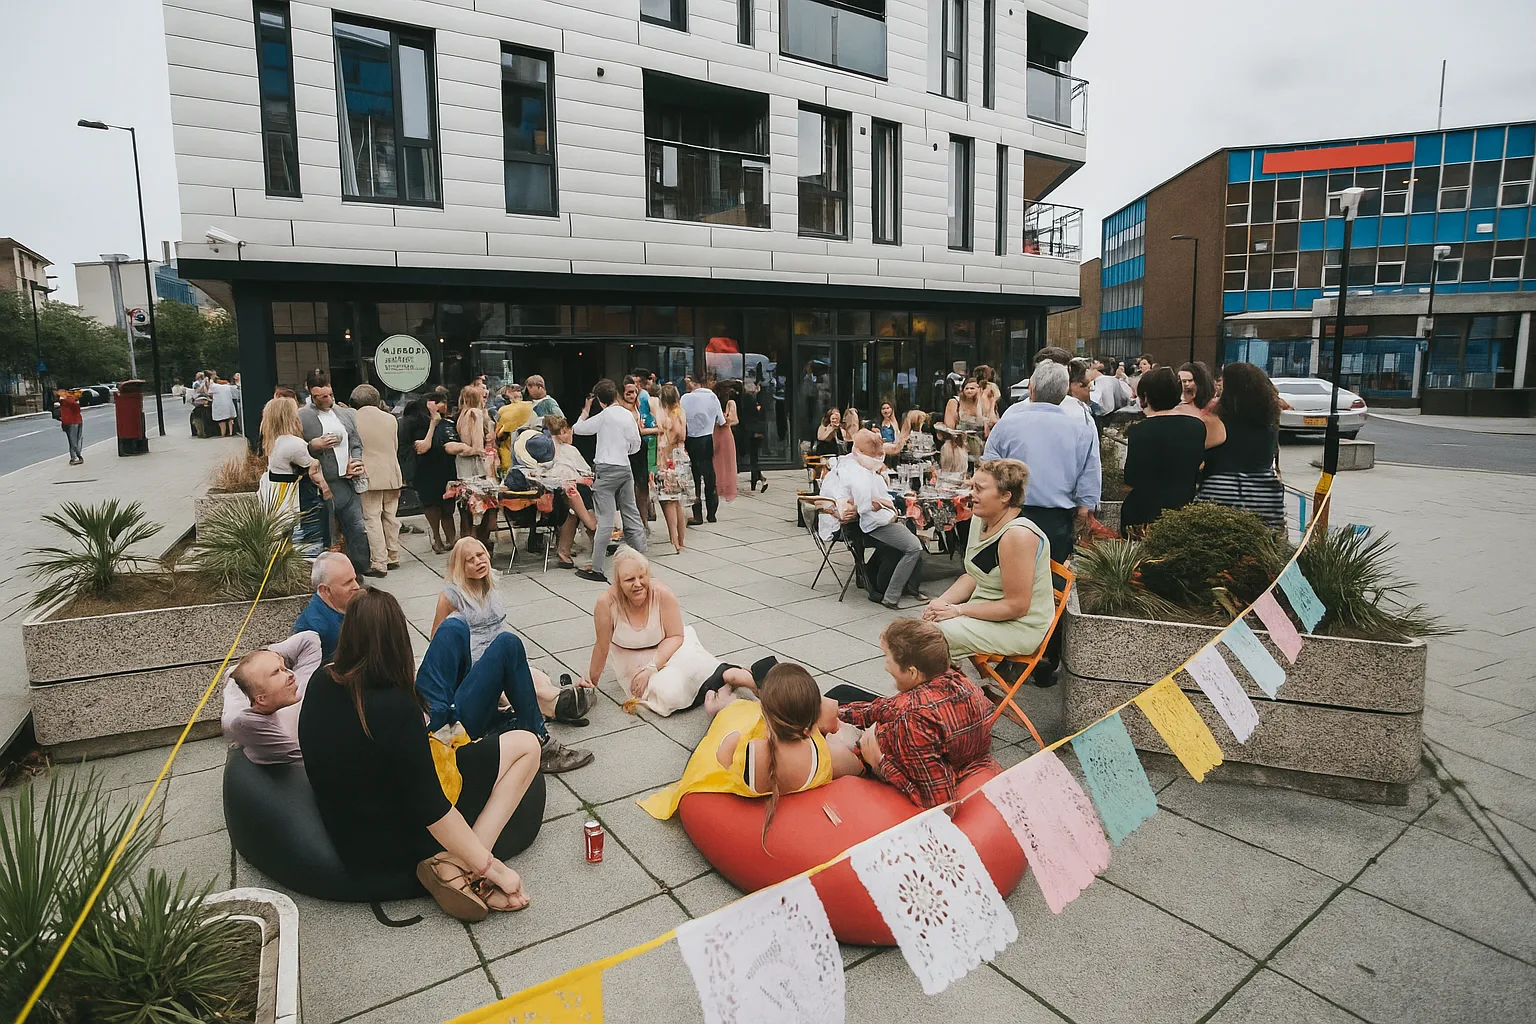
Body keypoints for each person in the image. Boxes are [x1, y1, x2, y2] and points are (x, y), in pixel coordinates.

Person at [297, 589, 541, 920]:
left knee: (453, 646)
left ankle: (460, 866)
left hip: (350, 837)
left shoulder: (320, 681)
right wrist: (494, 869)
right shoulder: (396, 708)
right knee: (527, 746)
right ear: (398, 640)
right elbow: (432, 809)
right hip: (399, 843)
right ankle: (462, 869)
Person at [417, 538, 595, 771]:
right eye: (470, 560)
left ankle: (556, 706)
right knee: (509, 647)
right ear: (460, 567)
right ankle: (544, 732)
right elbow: (438, 645)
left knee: (530, 675)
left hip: (491, 671)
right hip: (465, 696)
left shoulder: (490, 585)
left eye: (481, 555)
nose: (478, 561)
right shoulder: (451, 602)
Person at [639, 662, 853, 835]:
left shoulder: (749, 748)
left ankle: (722, 705)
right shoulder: (819, 751)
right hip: (798, 740)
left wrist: (733, 738)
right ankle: (729, 699)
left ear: (764, 712)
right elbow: (854, 767)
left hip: (750, 767)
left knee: (734, 718)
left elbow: (720, 762)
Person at [826, 618, 998, 807]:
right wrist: (839, 712)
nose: (885, 666)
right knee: (841, 693)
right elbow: (890, 707)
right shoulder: (959, 681)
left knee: (827, 752)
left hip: (893, 762)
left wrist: (878, 761)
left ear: (912, 672)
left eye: (887, 657)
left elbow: (940, 801)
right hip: (924, 745)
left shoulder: (913, 719)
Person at [580, 547, 771, 715]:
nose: (638, 584)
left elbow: (676, 636)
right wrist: (591, 682)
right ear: (618, 582)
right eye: (630, 580)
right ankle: (720, 693)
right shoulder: (606, 603)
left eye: (642, 577)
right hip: (633, 661)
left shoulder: (662, 592)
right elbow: (601, 646)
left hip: (672, 646)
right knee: (669, 693)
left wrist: (652, 667)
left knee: (700, 668)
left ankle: (757, 685)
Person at [924, 459, 1054, 661]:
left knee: (923, 639)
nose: (971, 494)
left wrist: (958, 610)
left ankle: (940, 679)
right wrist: (941, 602)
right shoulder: (980, 520)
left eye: (979, 489)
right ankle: (941, 678)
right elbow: (973, 576)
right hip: (985, 612)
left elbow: (1017, 606)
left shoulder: (1018, 535)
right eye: (972, 487)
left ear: (1005, 496)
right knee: (920, 631)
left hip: (1018, 627)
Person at [982, 362, 1101, 563]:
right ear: (1064, 393)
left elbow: (988, 468)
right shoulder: (1082, 428)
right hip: (1057, 519)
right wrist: (1085, 508)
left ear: (1031, 388)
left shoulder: (1007, 423)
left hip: (1011, 514)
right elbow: (1089, 471)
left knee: (1009, 575)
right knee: (1051, 577)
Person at [839, 431, 925, 608]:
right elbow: (859, 503)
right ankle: (891, 596)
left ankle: (907, 588)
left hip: (879, 519)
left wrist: (882, 502)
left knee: (911, 536)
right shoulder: (855, 471)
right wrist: (877, 503)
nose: (879, 457)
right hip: (873, 523)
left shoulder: (862, 468)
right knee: (914, 547)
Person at [1194, 361, 1285, 529]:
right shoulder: (1270, 427)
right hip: (1266, 495)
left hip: (1222, 492)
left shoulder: (1216, 423)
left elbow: (1198, 458)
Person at [573, 378, 645, 582]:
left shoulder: (604, 416)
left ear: (600, 400)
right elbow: (636, 443)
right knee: (631, 512)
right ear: (615, 394)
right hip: (624, 466)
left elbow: (579, 429)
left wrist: (585, 410)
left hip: (605, 468)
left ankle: (597, 567)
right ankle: (641, 559)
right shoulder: (627, 414)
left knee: (605, 519)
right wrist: (624, 450)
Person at [1121, 367, 1207, 536]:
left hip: (1143, 513)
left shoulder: (1139, 430)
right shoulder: (1197, 427)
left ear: (1146, 396)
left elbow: (1131, 476)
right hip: (1183, 509)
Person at [299, 375, 371, 575]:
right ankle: (330, 574)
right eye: (320, 397)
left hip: (347, 481)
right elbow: (295, 449)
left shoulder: (345, 413)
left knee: (357, 527)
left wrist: (356, 461)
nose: (327, 400)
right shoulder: (302, 416)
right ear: (310, 394)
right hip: (321, 484)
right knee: (328, 533)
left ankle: (360, 568)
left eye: (329, 395)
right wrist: (313, 445)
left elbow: (356, 442)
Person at [221, 630, 322, 765]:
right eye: (276, 672)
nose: (290, 674)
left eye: (284, 668)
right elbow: (240, 722)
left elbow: (309, 639)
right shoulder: (244, 719)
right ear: (261, 699)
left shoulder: (297, 685)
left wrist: (266, 657)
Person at [258, 396, 328, 552]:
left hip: (275, 491)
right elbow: (311, 463)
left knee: (282, 537)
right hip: (291, 496)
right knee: (306, 539)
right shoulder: (293, 443)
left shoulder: (274, 441)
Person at [351, 384, 404, 575]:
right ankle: (393, 555)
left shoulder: (352, 419)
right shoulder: (391, 419)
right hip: (391, 472)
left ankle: (379, 562)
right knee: (390, 516)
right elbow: (394, 446)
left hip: (367, 474)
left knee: (372, 517)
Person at [412, 389, 469, 554]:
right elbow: (422, 448)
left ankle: (451, 539)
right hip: (426, 469)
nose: (445, 405)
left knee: (448, 506)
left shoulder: (449, 423)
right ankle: (436, 538)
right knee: (431, 505)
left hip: (447, 468)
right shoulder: (419, 424)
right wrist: (433, 422)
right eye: (440, 402)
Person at [541, 415, 598, 569]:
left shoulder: (544, 448)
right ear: (563, 431)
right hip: (564, 494)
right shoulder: (569, 450)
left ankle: (564, 552)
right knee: (581, 496)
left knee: (572, 511)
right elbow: (587, 472)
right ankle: (593, 528)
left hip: (551, 495)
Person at [294, 551, 361, 660]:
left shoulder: (349, 605)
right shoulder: (314, 629)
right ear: (325, 590)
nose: (357, 586)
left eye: (355, 579)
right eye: (348, 583)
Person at [653, 383, 693, 553]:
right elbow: (683, 435)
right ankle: (681, 540)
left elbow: (676, 433)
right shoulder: (681, 411)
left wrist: (666, 447)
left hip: (668, 459)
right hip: (681, 457)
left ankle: (674, 540)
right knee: (678, 502)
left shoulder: (667, 414)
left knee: (668, 501)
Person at [455, 384, 497, 545]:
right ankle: (480, 538)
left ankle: (466, 537)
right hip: (475, 462)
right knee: (483, 502)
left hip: (462, 463)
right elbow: (477, 443)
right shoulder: (475, 413)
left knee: (465, 502)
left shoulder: (462, 414)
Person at [680, 376, 725, 525]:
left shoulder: (685, 398)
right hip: (707, 438)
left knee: (695, 477)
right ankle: (711, 513)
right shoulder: (712, 397)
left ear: (693, 384)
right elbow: (721, 420)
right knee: (709, 474)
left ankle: (697, 514)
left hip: (691, 439)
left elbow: (681, 418)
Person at [620, 376, 658, 527]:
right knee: (630, 486)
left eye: (634, 392)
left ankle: (644, 519)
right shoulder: (621, 409)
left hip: (641, 448)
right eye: (628, 393)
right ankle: (635, 520)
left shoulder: (638, 406)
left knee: (642, 484)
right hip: (627, 449)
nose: (632, 395)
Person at [943, 377, 992, 463]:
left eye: (972, 388)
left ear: (979, 389)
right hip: (959, 447)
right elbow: (949, 427)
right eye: (967, 388)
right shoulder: (955, 402)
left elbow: (991, 421)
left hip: (981, 448)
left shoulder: (983, 403)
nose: (969, 391)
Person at [1176, 361, 1223, 448]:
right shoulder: (1177, 406)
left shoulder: (1212, 407)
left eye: (1190, 381)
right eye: (1183, 381)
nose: (1186, 384)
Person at [494, 386, 535, 475]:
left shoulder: (503, 410)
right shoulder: (531, 407)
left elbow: (498, 434)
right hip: (528, 453)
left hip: (507, 454)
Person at [736, 376, 767, 493]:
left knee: (753, 456)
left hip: (750, 429)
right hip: (755, 429)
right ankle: (758, 478)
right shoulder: (752, 398)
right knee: (754, 456)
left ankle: (758, 478)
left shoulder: (747, 398)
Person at [713, 379, 740, 503]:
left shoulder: (727, 403)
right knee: (723, 461)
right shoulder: (727, 403)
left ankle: (723, 487)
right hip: (722, 432)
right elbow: (734, 420)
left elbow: (734, 419)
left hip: (718, 432)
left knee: (721, 460)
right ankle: (722, 487)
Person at [56, 388, 84, 465]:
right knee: (76, 439)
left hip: (67, 422)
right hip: (75, 421)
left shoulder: (63, 401)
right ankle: (77, 456)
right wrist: (76, 400)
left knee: (72, 440)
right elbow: (77, 410)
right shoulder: (72, 400)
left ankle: (74, 457)